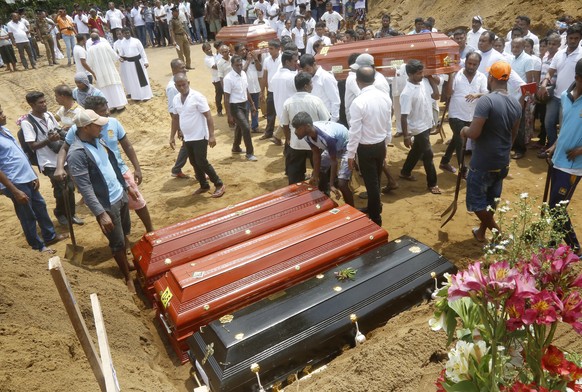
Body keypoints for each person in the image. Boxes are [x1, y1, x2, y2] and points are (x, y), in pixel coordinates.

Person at [56, 96, 154, 234]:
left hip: (120, 170)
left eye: (106, 108)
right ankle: (122, 241)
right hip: (98, 177)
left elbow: (127, 146)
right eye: (102, 111)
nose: (107, 112)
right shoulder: (78, 129)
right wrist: (59, 167)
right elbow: (65, 148)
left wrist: (137, 168)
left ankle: (150, 230)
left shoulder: (114, 123)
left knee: (137, 200)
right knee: (111, 210)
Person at [68, 109, 136, 291]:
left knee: (125, 233)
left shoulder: (98, 140)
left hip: (119, 195)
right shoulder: (77, 153)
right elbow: (85, 188)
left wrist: (126, 187)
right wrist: (101, 213)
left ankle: (127, 264)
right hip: (107, 205)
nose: (102, 126)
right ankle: (128, 278)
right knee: (117, 243)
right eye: (98, 124)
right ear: (86, 127)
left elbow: (112, 165)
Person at [460, 61, 522, 243]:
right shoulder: (515, 103)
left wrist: (464, 130)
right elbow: (514, 134)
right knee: (491, 200)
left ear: (491, 77)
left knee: (476, 202)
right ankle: (481, 232)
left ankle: (498, 233)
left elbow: (474, 133)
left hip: (483, 162)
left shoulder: (486, 101)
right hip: (502, 161)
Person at [0, 105, 68, 254]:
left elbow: (20, 155)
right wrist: (14, 190)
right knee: (27, 214)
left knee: (40, 206)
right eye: (0, 114)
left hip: (26, 177)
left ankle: (50, 236)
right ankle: (38, 246)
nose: (4, 116)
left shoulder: (4, 130)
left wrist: (33, 174)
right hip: (15, 182)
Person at [21, 91, 83, 226]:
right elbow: (32, 145)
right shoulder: (27, 123)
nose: (44, 105)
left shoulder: (49, 115)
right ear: (32, 105)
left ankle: (71, 214)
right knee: (61, 188)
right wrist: (48, 140)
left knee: (70, 187)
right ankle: (60, 213)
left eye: (44, 101)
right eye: (40, 103)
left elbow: (58, 130)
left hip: (61, 157)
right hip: (47, 161)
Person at [545, 58, 582, 256]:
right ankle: (552, 242)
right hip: (558, 160)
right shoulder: (566, 97)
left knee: (556, 208)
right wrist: (554, 145)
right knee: (555, 204)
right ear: (578, 78)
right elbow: (566, 127)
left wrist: (580, 150)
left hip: (575, 166)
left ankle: (575, 247)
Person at [347, 66, 392, 226]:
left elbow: (355, 132)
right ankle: (375, 207)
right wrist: (386, 143)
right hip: (380, 145)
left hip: (365, 148)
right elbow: (388, 123)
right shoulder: (385, 97)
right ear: (374, 79)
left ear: (358, 81)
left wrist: (350, 154)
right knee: (376, 180)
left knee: (371, 183)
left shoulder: (358, 102)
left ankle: (375, 218)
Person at [170, 73, 226, 196]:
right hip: (187, 137)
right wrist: (172, 136)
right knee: (194, 162)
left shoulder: (197, 97)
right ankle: (204, 185)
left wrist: (212, 135)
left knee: (201, 161)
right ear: (175, 86)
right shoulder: (176, 99)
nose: (182, 87)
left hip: (200, 136)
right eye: (179, 86)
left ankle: (219, 184)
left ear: (188, 83)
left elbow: (209, 116)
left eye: (184, 84)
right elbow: (175, 118)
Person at [440, 52, 488, 174]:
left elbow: (486, 93)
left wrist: (477, 95)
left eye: (474, 64)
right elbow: (449, 93)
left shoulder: (481, 77)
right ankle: (463, 169)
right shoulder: (457, 75)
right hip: (456, 114)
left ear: (478, 65)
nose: (471, 66)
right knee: (461, 140)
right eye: (469, 63)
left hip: (472, 115)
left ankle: (444, 161)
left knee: (457, 137)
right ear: (465, 62)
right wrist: (450, 76)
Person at [538, 23, 582, 155]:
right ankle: (552, 147)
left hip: (572, 99)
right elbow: (550, 72)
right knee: (548, 123)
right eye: (571, 38)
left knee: (565, 127)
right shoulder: (560, 54)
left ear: (580, 38)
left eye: (576, 38)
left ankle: (559, 152)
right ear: (566, 38)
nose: (573, 40)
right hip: (556, 96)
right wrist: (544, 84)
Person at [399, 60, 441, 195]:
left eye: (422, 72)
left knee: (417, 149)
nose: (421, 75)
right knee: (428, 154)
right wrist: (406, 136)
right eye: (419, 73)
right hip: (418, 127)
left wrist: (430, 78)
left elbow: (436, 95)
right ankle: (432, 183)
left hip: (427, 122)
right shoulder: (406, 93)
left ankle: (405, 172)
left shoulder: (423, 83)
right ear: (410, 74)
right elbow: (403, 116)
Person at [280, 72, 330, 183]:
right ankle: (323, 194)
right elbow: (326, 121)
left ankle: (296, 196)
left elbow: (284, 123)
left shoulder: (288, 102)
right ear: (306, 86)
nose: (312, 85)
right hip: (315, 143)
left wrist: (288, 138)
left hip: (296, 143)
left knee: (295, 174)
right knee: (321, 172)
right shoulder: (316, 101)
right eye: (311, 83)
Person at [293, 111, 353, 205]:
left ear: (307, 126)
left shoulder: (327, 137)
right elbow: (316, 154)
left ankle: (351, 210)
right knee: (318, 170)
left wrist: (332, 184)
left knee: (342, 183)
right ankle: (324, 195)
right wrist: (315, 176)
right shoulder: (306, 136)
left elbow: (334, 162)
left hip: (347, 147)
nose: (295, 132)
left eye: (298, 128)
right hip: (332, 147)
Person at [223, 55, 258, 161]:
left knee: (240, 126)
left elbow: (246, 90)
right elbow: (226, 98)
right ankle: (249, 153)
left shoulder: (243, 74)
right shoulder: (228, 78)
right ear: (232, 65)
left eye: (240, 64)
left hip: (244, 104)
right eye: (237, 65)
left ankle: (236, 147)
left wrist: (252, 104)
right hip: (235, 106)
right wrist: (229, 115)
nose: (239, 67)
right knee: (246, 128)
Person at [86, 33, 127, 112]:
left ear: (91, 40)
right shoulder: (105, 45)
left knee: (105, 90)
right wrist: (119, 58)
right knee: (114, 86)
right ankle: (120, 105)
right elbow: (114, 56)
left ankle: (110, 107)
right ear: (99, 38)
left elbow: (89, 63)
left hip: (100, 73)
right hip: (110, 70)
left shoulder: (90, 50)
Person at [166, 58, 190, 178]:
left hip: (189, 120)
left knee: (188, 146)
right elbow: (173, 112)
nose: (185, 69)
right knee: (191, 146)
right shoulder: (172, 87)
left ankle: (176, 169)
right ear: (174, 70)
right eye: (182, 67)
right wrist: (179, 129)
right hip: (184, 123)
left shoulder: (181, 80)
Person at [300, 53, 341, 123]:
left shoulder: (326, 77)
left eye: (308, 69)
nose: (306, 72)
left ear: (314, 64)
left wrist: (333, 121)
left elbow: (335, 101)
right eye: (304, 70)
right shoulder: (308, 78)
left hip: (327, 118)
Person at [270, 50, 299, 146]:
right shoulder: (292, 77)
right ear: (287, 62)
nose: (296, 63)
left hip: (280, 111)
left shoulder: (274, 77)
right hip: (292, 111)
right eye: (294, 61)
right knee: (292, 138)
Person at [118, 27, 153, 101]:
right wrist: (121, 58)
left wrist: (146, 61)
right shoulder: (122, 43)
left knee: (142, 79)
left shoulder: (136, 41)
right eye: (125, 33)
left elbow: (142, 52)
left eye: (128, 32)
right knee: (132, 80)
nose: (127, 34)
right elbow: (122, 54)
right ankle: (136, 96)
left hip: (138, 62)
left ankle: (146, 95)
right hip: (129, 64)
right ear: (123, 34)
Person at [260, 40, 282, 140]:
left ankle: (283, 134)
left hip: (282, 90)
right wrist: (262, 91)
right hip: (271, 91)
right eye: (269, 48)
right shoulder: (267, 60)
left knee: (282, 112)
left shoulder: (283, 59)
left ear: (278, 49)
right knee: (270, 113)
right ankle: (268, 133)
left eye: (271, 49)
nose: (269, 51)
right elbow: (265, 77)